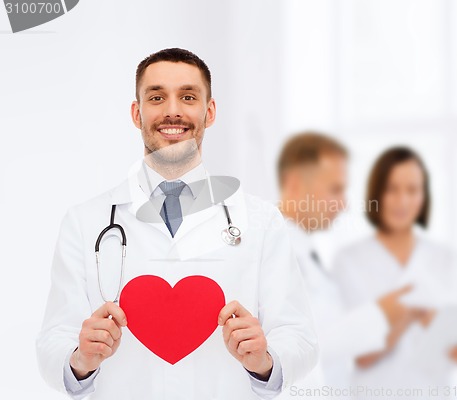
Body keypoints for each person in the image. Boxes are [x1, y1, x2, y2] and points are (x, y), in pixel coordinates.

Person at [36, 48, 318, 400]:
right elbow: (52, 340)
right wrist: (80, 359)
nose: (172, 110)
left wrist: (264, 361)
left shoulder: (261, 220)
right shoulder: (85, 221)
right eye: (156, 97)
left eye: (188, 96)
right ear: (137, 113)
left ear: (209, 112)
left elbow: (300, 336)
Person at [276, 133, 417, 398]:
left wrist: (389, 325)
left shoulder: (308, 253)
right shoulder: (274, 251)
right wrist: (380, 314)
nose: (343, 203)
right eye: (335, 189)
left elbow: (334, 339)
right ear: (295, 184)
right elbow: (301, 347)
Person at [333, 146, 457, 399]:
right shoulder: (349, 261)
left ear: (424, 196)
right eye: (391, 189)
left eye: (412, 190)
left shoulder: (449, 261)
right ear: (377, 193)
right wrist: (408, 315)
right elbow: (359, 356)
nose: (402, 201)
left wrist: (438, 328)